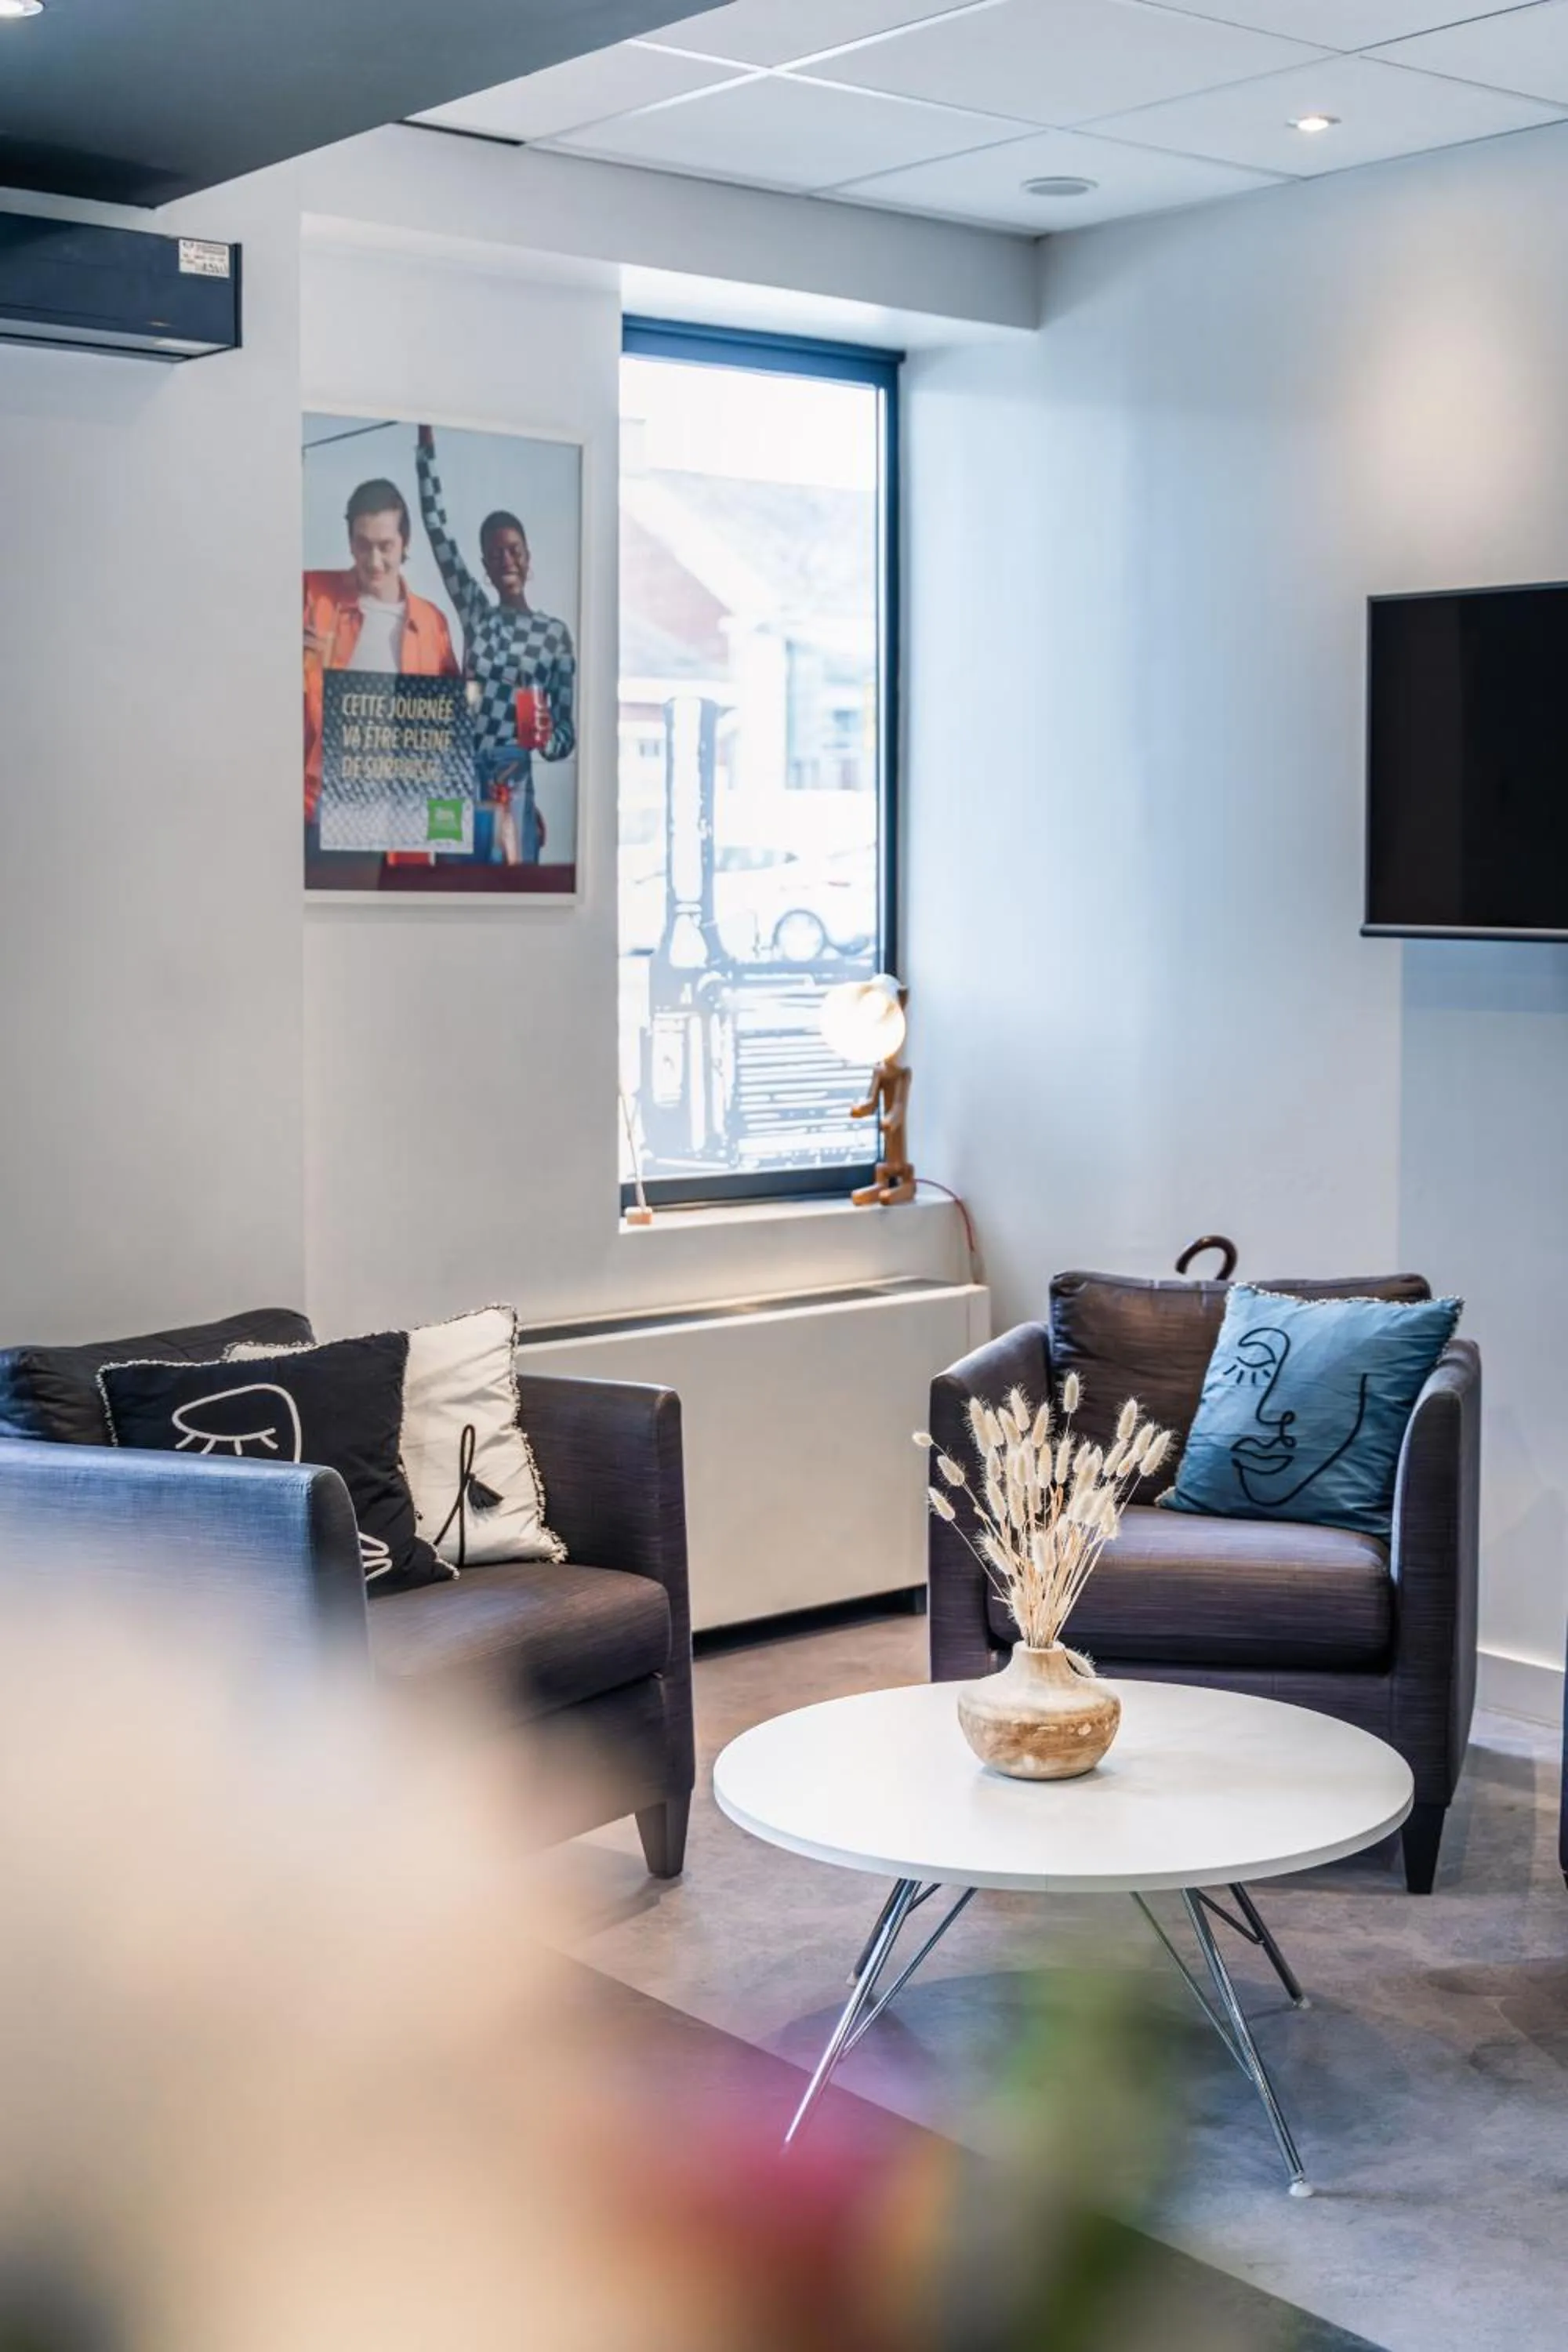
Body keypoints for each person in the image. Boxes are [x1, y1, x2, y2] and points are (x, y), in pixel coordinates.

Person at [416, 423, 576, 864]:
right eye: (496, 553)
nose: (507, 559)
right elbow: (435, 528)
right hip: (458, 767)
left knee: (514, 885)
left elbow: (566, 737)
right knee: (447, 884)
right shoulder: (477, 613)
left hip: (514, 770)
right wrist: (425, 450)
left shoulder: (554, 634)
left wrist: (547, 738)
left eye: (515, 549)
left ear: (528, 556)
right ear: (485, 564)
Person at [303, 475, 459, 829]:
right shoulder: (309, 595)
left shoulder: (433, 623)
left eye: (385, 546)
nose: (374, 561)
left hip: (401, 809)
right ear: (350, 543)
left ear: (405, 544)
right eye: (363, 545)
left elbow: (450, 730)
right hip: (319, 806)